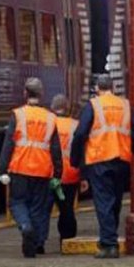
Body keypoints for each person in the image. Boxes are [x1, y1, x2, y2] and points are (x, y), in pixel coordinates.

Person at [70, 74, 134, 259]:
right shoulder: (124, 105)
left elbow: (80, 133)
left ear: (97, 89)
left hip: (100, 159)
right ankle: (108, 239)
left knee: (104, 202)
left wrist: (76, 159)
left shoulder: (94, 105)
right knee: (115, 202)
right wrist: (130, 148)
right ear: (114, 88)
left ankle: (109, 245)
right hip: (122, 159)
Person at [0, 77, 63, 258]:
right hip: (42, 170)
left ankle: (25, 227)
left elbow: (8, 144)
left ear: (25, 93)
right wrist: (58, 173)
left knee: (17, 203)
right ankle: (35, 243)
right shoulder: (50, 117)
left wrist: (2, 169)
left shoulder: (18, 115)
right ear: (41, 95)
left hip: (20, 168)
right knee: (38, 207)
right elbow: (56, 149)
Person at [49, 94, 87, 246]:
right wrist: (84, 176)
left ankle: (38, 242)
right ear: (67, 107)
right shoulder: (75, 125)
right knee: (67, 209)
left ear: (53, 108)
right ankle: (68, 238)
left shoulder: (50, 125)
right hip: (71, 174)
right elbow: (82, 152)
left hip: (51, 175)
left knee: (43, 209)